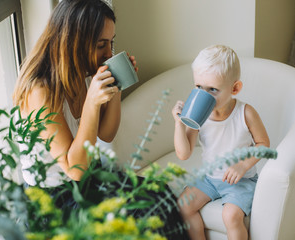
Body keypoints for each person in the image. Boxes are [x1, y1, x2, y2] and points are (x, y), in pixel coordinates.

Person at [13, 0, 189, 239]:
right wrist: (92, 103)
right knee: (142, 214)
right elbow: (75, 169)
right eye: (100, 45)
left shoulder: (85, 73)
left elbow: (106, 133)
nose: (109, 54)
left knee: (159, 193)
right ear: (74, 42)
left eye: (111, 43)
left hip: (88, 180)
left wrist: (115, 86)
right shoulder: (40, 90)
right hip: (54, 199)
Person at [172, 45, 270, 240]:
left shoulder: (246, 113)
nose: (204, 95)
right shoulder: (199, 115)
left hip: (240, 181)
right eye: (198, 87)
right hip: (209, 178)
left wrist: (242, 165)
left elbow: (263, 144)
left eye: (213, 90)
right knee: (183, 206)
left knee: (231, 216)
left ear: (235, 88)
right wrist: (179, 124)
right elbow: (184, 153)